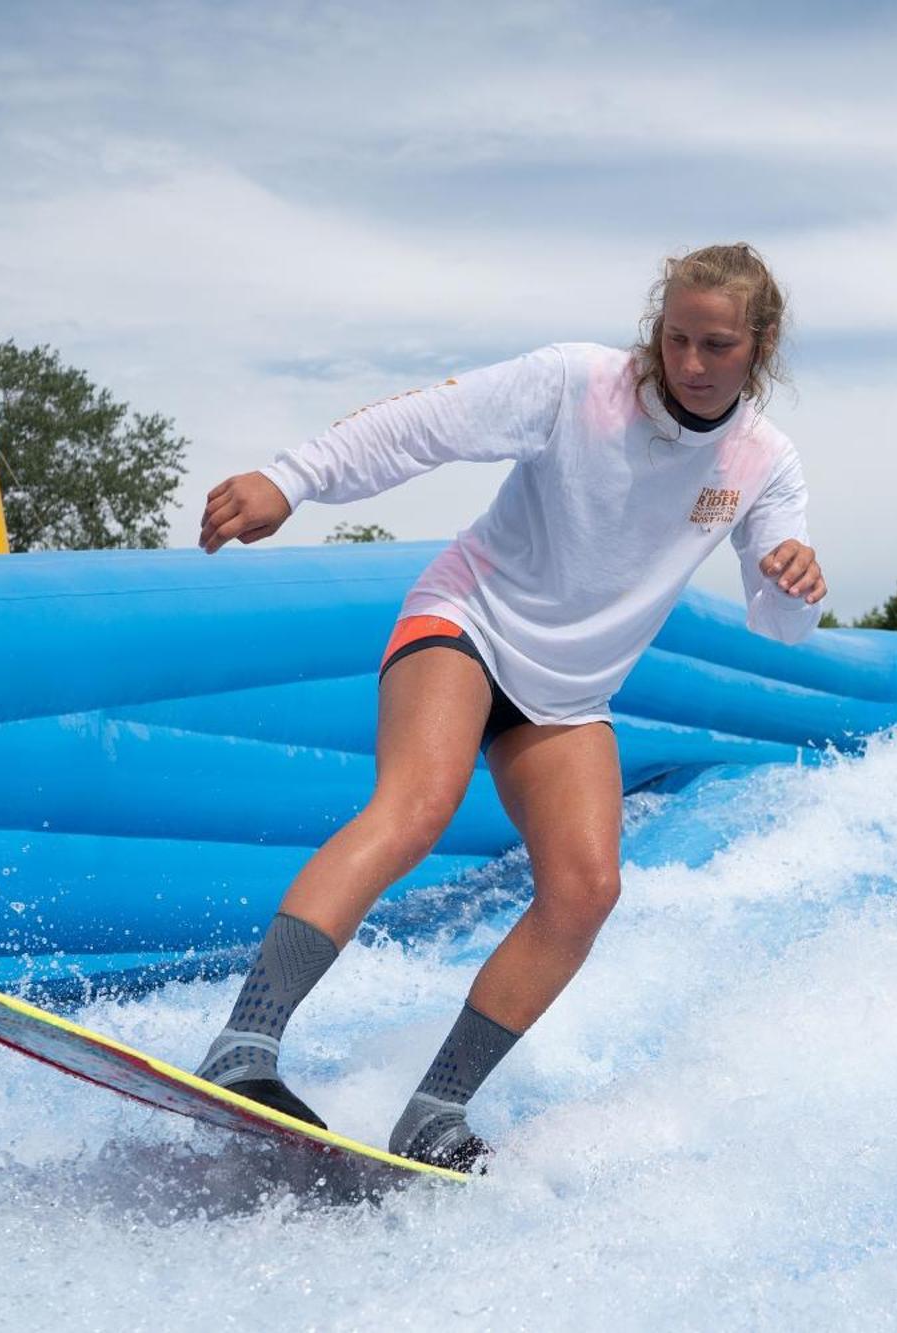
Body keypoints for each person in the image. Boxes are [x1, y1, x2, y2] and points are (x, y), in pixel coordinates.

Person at [193, 243, 828, 1170]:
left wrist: (796, 582)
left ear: (759, 347)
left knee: (586, 890)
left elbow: (779, 623)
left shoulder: (764, 460)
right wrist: (290, 480)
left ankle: (434, 1113)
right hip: (470, 620)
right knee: (417, 806)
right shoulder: (577, 383)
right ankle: (243, 1047)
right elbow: (424, 425)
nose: (690, 364)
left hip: (570, 693)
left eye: (716, 346)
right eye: (676, 336)